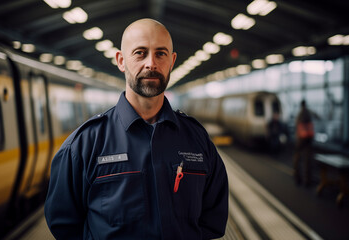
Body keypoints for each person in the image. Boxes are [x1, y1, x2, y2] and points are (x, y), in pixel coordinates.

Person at [44, 18, 229, 240]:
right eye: (140, 53)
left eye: (160, 54)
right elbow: (65, 226)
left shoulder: (197, 140)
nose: (151, 63)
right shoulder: (84, 145)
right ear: (121, 61)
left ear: (172, 61)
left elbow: (212, 220)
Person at [293, 100, 314, 186]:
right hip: (309, 138)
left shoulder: (300, 114)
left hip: (301, 139)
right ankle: (307, 180)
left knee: (297, 157)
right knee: (307, 159)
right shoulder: (309, 113)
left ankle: (297, 176)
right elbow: (317, 117)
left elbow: (296, 125)